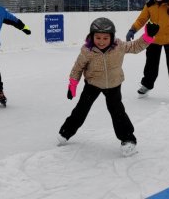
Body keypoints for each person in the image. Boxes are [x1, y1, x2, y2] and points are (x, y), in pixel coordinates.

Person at [58, 18, 159, 157]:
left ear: (112, 37)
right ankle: (65, 132)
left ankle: (128, 139)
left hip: (113, 84)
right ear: (92, 36)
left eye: (105, 38)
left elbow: (135, 47)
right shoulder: (87, 50)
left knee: (117, 112)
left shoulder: (119, 46)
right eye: (98, 37)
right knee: (81, 109)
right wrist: (72, 85)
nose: (101, 41)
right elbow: (77, 68)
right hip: (92, 84)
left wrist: (148, 36)